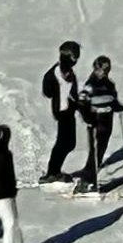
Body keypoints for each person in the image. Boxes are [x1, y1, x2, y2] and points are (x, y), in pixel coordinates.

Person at [75, 56, 123, 192]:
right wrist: (88, 118)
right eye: (101, 69)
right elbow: (81, 102)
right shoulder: (91, 85)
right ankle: (87, 181)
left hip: (107, 119)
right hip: (95, 119)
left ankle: (91, 177)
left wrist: (117, 106)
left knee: (101, 149)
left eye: (107, 69)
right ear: (96, 69)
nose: (104, 72)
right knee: (95, 150)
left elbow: (113, 99)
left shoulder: (109, 84)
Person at [40, 41, 83, 183]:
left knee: (70, 143)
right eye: (74, 58)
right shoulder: (53, 74)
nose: (76, 61)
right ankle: (52, 173)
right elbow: (47, 92)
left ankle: (54, 171)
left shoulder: (70, 73)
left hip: (69, 111)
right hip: (61, 111)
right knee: (63, 143)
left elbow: (73, 92)